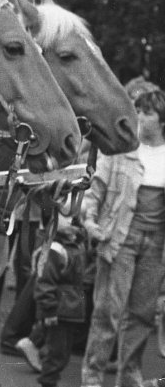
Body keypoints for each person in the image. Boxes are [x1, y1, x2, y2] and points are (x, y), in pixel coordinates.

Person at [81, 89, 165, 387]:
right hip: (120, 239)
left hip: (156, 245)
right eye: (137, 111)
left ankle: (128, 376)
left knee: (142, 316)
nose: (139, 117)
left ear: (162, 121)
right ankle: (92, 377)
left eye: (147, 113)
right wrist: (89, 219)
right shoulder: (120, 150)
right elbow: (96, 188)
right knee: (108, 312)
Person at [34, 219, 88, 387]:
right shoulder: (55, 249)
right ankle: (47, 382)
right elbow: (44, 283)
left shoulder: (77, 245)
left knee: (62, 355)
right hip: (59, 310)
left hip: (71, 309)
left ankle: (49, 379)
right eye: (67, 219)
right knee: (56, 354)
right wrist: (49, 311)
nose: (73, 224)